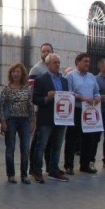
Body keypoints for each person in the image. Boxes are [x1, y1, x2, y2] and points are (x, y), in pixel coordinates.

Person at [31, 53, 70, 183]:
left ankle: (53, 170)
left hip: (62, 118)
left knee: (57, 145)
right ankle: (37, 171)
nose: (57, 65)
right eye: (55, 62)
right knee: (41, 145)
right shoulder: (41, 80)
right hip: (46, 118)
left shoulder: (64, 81)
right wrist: (47, 98)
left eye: (59, 62)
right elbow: (35, 99)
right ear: (48, 65)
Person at [63, 52, 101, 174]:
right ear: (78, 62)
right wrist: (83, 98)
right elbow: (69, 93)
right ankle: (69, 165)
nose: (88, 64)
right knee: (72, 139)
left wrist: (97, 97)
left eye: (89, 62)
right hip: (76, 110)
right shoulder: (70, 76)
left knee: (89, 138)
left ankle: (84, 165)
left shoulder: (91, 76)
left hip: (89, 110)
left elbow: (96, 91)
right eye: (85, 61)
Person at [0, 63, 35, 184]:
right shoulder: (6, 88)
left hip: (25, 120)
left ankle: (24, 175)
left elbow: (30, 106)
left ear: (22, 74)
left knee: (25, 148)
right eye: (13, 71)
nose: (16, 74)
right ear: (11, 74)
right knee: (10, 148)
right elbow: (1, 106)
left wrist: (33, 121)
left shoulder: (27, 88)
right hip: (11, 120)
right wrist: (3, 121)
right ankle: (11, 175)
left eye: (18, 71)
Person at [28, 43, 54, 174]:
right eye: (43, 51)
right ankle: (33, 167)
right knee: (38, 140)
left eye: (48, 51)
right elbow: (31, 92)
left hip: (51, 110)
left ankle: (49, 166)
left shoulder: (54, 68)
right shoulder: (36, 69)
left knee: (50, 140)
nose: (45, 53)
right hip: (39, 110)